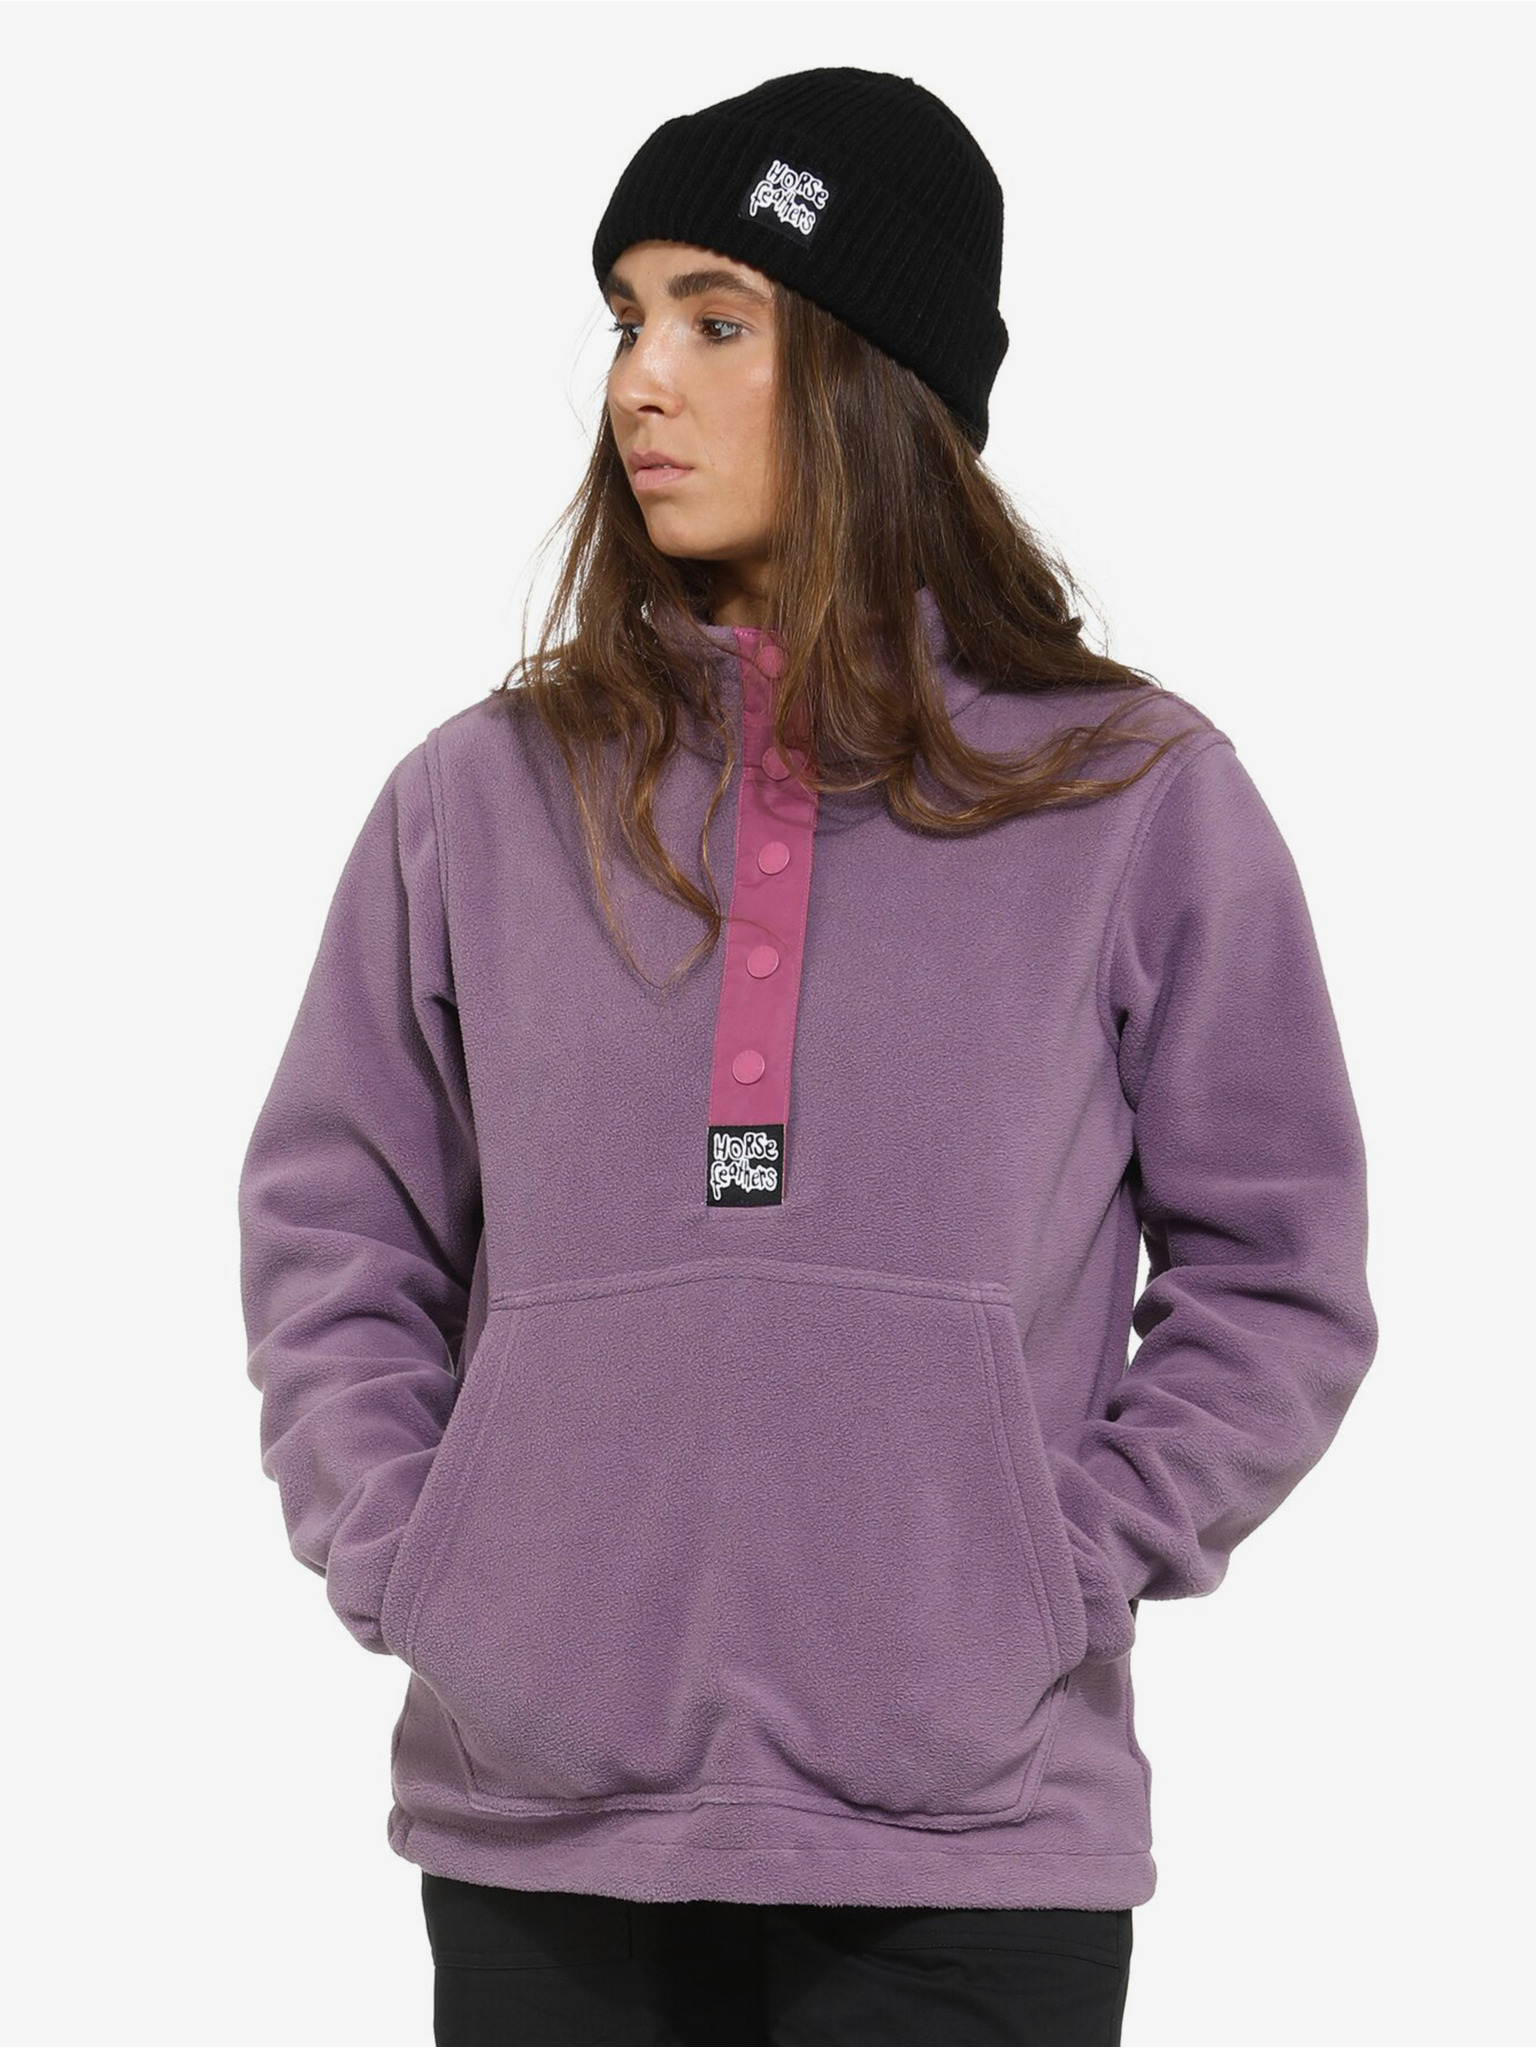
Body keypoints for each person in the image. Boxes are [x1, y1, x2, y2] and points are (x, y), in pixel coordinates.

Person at [237, 66, 1379, 2048]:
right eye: (626, 320)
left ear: (872, 374)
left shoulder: (1130, 792)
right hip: (546, 1829)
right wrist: (428, 1566)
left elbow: (1279, 1268)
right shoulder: (475, 799)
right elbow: (334, 1234)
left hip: (974, 1836)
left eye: (715, 319)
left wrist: (1063, 1568)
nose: (639, 384)